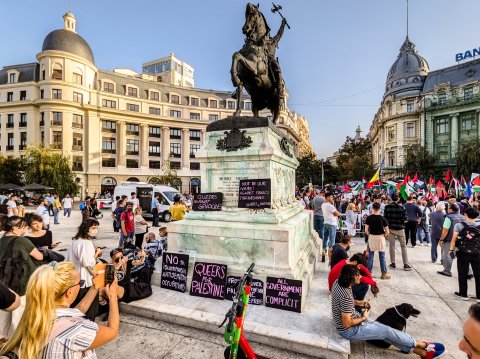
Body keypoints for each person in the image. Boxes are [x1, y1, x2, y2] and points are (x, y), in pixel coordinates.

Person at [0, 261, 120, 358]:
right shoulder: (78, 329)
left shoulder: (35, 317)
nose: (81, 284)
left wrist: (94, 288)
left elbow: (76, 312)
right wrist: (113, 296)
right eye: (81, 283)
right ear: (70, 292)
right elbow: (112, 331)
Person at [331, 264, 446, 358]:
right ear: (351, 278)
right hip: (348, 330)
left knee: (385, 333)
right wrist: (364, 317)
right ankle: (422, 344)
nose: (360, 277)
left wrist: (358, 303)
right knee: (387, 331)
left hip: (351, 320)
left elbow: (342, 302)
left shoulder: (339, 282)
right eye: (358, 275)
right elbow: (347, 323)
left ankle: (421, 352)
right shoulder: (345, 294)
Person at [0, 216, 43, 339]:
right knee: (19, 318)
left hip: (4, 284)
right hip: (21, 284)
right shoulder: (22, 241)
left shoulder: (1, 240)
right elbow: (39, 256)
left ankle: (3, 342)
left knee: (3, 318)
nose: (25, 228)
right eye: (23, 226)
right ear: (14, 228)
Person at [66, 218, 102, 320]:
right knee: (89, 310)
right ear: (86, 228)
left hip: (75, 278)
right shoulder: (85, 242)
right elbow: (88, 263)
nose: (95, 230)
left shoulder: (76, 240)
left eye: (97, 228)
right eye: (93, 227)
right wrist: (97, 253)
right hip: (85, 281)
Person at [449, 207, 480, 301]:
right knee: (478, 274)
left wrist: (451, 250)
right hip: (477, 252)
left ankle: (463, 294)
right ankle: (479, 296)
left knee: (462, 273)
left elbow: (454, 239)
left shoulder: (460, 225)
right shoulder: (479, 225)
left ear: (465, 214)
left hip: (463, 252)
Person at [383, 194, 412, 271]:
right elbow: (405, 220)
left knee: (391, 246)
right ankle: (405, 264)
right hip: (400, 229)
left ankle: (393, 263)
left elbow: (385, 219)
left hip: (390, 229)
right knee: (403, 246)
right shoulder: (402, 208)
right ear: (398, 199)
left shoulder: (387, 207)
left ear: (391, 198)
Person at [365, 202, 391, 280]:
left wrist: (369, 235)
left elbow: (366, 230)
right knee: (382, 256)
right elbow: (387, 231)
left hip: (372, 237)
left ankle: (368, 273)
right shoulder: (383, 218)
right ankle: (383, 274)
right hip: (380, 238)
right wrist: (385, 235)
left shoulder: (369, 218)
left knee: (370, 256)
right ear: (380, 209)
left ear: (372, 208)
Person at [438, 203, 464, 277]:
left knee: (448, 255)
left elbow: (445, 230)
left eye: (448, 208)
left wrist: (442, 239)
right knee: (463, 256)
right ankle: (469, 273)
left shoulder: (448, 217)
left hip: (450, 239)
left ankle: (447, 271)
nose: (447, 209)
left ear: (451, 209)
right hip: (461, 239)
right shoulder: (463, 217)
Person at [322, 192, 340, 261]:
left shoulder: (323, 205)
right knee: (332, 242)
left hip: (326, 222)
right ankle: (331, 258)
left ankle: (323, 253)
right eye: (331, 197)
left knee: (325, 239)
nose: (332, 199)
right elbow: (337, 213)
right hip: (332, 224)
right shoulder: (330, 206)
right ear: (327, 198)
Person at [311, 190, 325, 259]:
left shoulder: (314, 198)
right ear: (323, 193)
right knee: (322, 230)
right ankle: (322, 242)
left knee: (315, 230)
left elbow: (312, 206)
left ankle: (315, 242)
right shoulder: (323, 199)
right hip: (322, 215)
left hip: (315, 215)